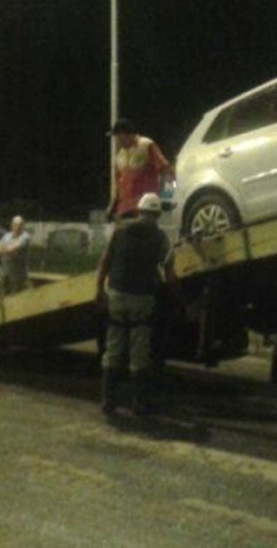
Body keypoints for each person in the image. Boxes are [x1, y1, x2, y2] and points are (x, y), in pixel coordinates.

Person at [95, 192, 182, 416]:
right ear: (157, 214)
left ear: (139, 210)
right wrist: (177, 297)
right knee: (139, 352)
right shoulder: (160, 236)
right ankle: (139, 403)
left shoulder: (120, 230)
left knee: (113, 348)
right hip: (142, 297)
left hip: (116, 293)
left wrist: (98, 290)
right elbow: (169, 272)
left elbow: (105, 260)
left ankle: (108, 400)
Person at [106, 118, 174, 221]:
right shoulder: (120, 155)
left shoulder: (146, 146)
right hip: (124, 210)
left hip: (144, 209)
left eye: (117, 137)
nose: (117, 141)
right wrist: (113, 206)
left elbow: (167, 171)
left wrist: (167, 198)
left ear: (125, 134)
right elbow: (118, 185)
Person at [0, 215, 31, 294]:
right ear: (11, 225)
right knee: (3, 299)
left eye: (20, 225)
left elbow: (11, 250)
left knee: (16, 300)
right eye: (15, 224)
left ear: (23, 225)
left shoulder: (25, 237)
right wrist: (7, 249)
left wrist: (4, 249)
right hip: (5, 274)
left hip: (18, 276)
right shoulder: (7, 236)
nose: (17, 227)